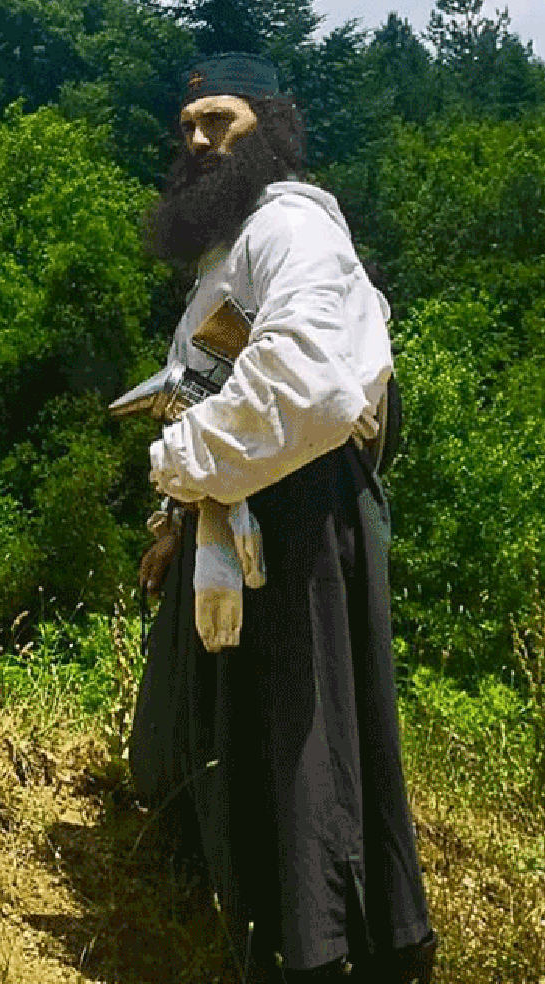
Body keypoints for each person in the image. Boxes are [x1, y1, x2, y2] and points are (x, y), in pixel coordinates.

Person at [127, 53, 437, 983]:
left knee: (304, 744)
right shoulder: (232, 251)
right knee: (238, 735)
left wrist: (180, 461)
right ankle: (250, 935)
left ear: (270, 126)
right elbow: (213, 385)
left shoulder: (292, 226)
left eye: (220, 122)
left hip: (301, 517)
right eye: (189, 127)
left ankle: (319, 954)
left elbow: (307, 386)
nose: (199, 140)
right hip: (241, 510)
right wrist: (176, 519)